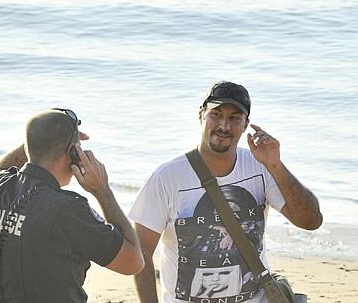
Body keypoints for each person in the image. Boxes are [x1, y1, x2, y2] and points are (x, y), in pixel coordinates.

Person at [129, 81, 323, 303]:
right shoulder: (166, 178)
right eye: (216, 114)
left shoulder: (260, 167)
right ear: (201, 115)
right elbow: (141, 252)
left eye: (234, 118)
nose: (224, 125)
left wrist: (276, 166)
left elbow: (310, 221)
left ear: (245, 124)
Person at [0, 108, 144, 302]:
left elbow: (1, 168)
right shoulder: (68, 210)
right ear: (73, 152)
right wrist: (102, 190)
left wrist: (41, 140)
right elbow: (133, 262)